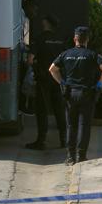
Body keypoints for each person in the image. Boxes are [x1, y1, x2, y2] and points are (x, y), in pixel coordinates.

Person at [49, 27, 102, 165]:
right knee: (84, 125)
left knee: (71, 125)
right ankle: (81, 155)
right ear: (87, 39)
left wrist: (62, 82)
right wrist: (100, 83)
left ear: (74, 39)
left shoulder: (65, 54)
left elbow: (52, 69)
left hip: (70, 94)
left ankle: (70, 156)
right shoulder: (93, 54)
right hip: (87, 93)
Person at [25, 15, 68, 150]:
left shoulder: (39, 38)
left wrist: (36, 67)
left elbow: (30, 60)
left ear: (46, 23)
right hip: (58, 78)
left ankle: (41, 140)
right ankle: (63, 140)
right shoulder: (61, 39)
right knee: (59, 109)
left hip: (43, 78)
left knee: (42, 109)